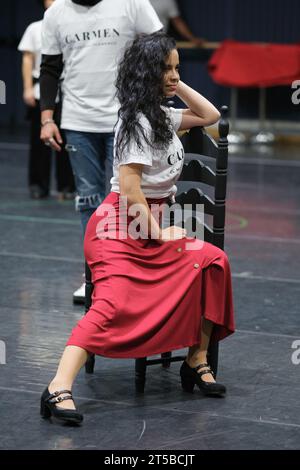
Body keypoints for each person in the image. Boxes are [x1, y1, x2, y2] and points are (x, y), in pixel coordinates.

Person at [40, 32, 235, 425]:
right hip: (117, 227)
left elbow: (212, 116)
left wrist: (178, 81)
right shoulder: (135, 123)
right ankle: (57, 386)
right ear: (145, 73)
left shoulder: (165, 116)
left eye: (177, 68)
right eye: (165, 69)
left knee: (213, 261)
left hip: (149, 227)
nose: (173, 76)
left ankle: (195, 358)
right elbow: (130, 190)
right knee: (111, 303)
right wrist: (160, 234)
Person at [39, 0, 163, 303]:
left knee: (131, 195)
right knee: (88, 200)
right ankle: (95, 276)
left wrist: (146, 94)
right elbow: (49, 69)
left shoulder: (130, 3)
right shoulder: (55, 13)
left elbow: (160, 45)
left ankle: (136, 273)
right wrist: (46, 119)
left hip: (127, 119)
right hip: (78, 123)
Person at [18, 0, 75, 200]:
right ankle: (38, 184)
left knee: (67, 141)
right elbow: (27, 59)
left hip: (68, 91)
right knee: (39, 142)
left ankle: (67, 185)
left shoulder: (74, 25)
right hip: (42, 91)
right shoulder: (35, 28)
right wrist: (27, 88)